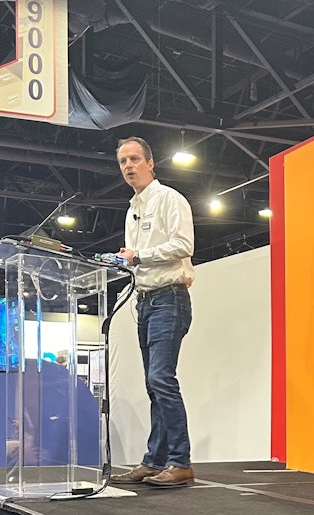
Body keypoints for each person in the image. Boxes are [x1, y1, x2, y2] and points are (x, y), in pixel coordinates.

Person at [110, 136, 195, 487]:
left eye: (134, 159)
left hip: (169, 298)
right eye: (123, 161)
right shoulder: (132, 209)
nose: (128, 166)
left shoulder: (169, 199)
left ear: (150, 163)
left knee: (161, 378)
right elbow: (136, 259)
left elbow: (184, 245)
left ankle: (180, 461)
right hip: (144, 301)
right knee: (153, 384)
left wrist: (139, 257)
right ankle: (155, 461)